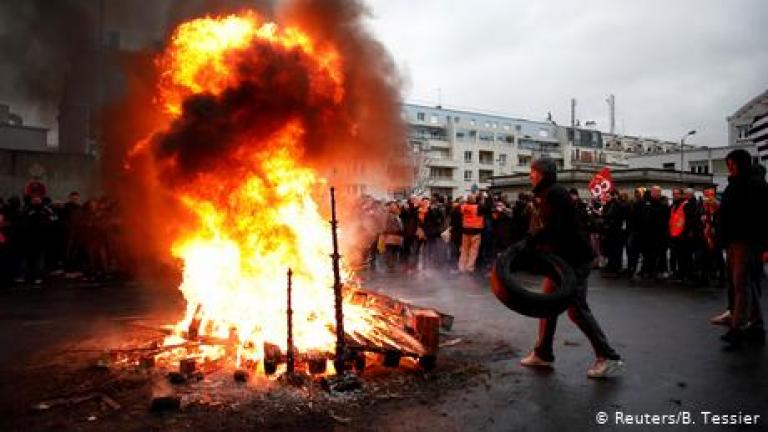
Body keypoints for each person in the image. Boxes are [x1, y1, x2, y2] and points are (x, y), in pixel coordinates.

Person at [520, 158, 623, 378]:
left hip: (573, 261)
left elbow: (555, 227)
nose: (530, 175)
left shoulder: (556, 193)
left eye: (533, 171)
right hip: (558, 262)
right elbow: (539, 227)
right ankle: (543, 353)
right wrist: (530, 242)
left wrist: (532, 241)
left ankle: (608, 357)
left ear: (543, 174)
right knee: (547, 306)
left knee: (576, 309)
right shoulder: (543, 194)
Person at [717, 149, 767, 347]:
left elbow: (760, 216)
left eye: (731, 164)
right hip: (734, 241)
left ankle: (738, 328)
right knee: (746, 284)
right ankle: (756, 325)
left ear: (740, 163)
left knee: (741, 285)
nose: (729, 168)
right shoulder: (735, 184)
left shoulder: (754, 185)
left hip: (746, 241)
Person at [457, 193, 489, 273]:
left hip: (465, 230)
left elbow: (458, 207)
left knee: (464, 250)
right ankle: (469, 267)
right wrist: (483, 198)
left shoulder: (463, 207)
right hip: (475, 231)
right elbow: (487, 207)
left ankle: (461, 267)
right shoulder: (478, 207)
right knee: (473, 251)